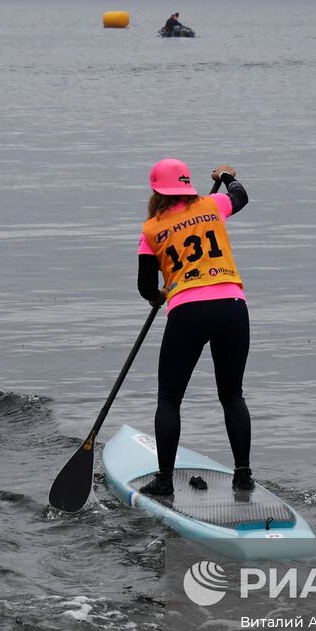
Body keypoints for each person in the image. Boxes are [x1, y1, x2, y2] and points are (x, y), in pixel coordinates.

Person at [136, 159, 252, 496]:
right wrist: (226, 176)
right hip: (232, 306)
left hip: (187, 312)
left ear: (157, 189)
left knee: (170, 399)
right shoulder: (212, 205)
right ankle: (243, 474)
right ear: (188, 186)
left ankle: (164, 480)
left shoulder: (151, 231)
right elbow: (241, 195)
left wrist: (157, 296)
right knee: (232, 395)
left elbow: (146, 287)